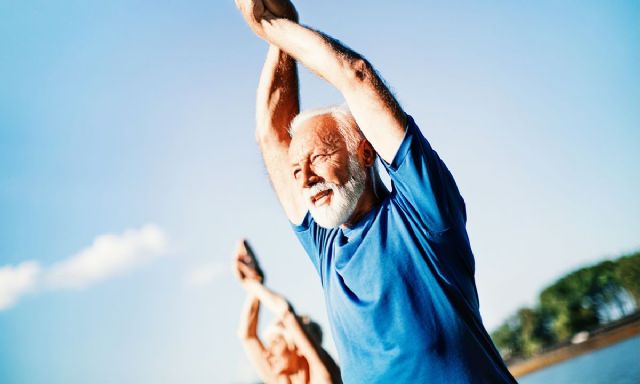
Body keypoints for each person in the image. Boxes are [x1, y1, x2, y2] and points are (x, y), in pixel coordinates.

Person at [233, 0, 518, 382]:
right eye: (297, 169)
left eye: (318, 157)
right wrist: (277, 39)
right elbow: (271, 136)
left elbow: (356, 77)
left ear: (365, 152)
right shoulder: (326, 247)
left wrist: (272, 25)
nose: (304, 178)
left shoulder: (423, 214)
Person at [234, 239, 342, 384]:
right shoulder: (281, 377)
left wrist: (252, 284)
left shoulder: (322, 375)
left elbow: (286, 313)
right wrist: (254, 281)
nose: (267, 353)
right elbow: (247, 336)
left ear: (297, 347)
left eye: (275, 343)